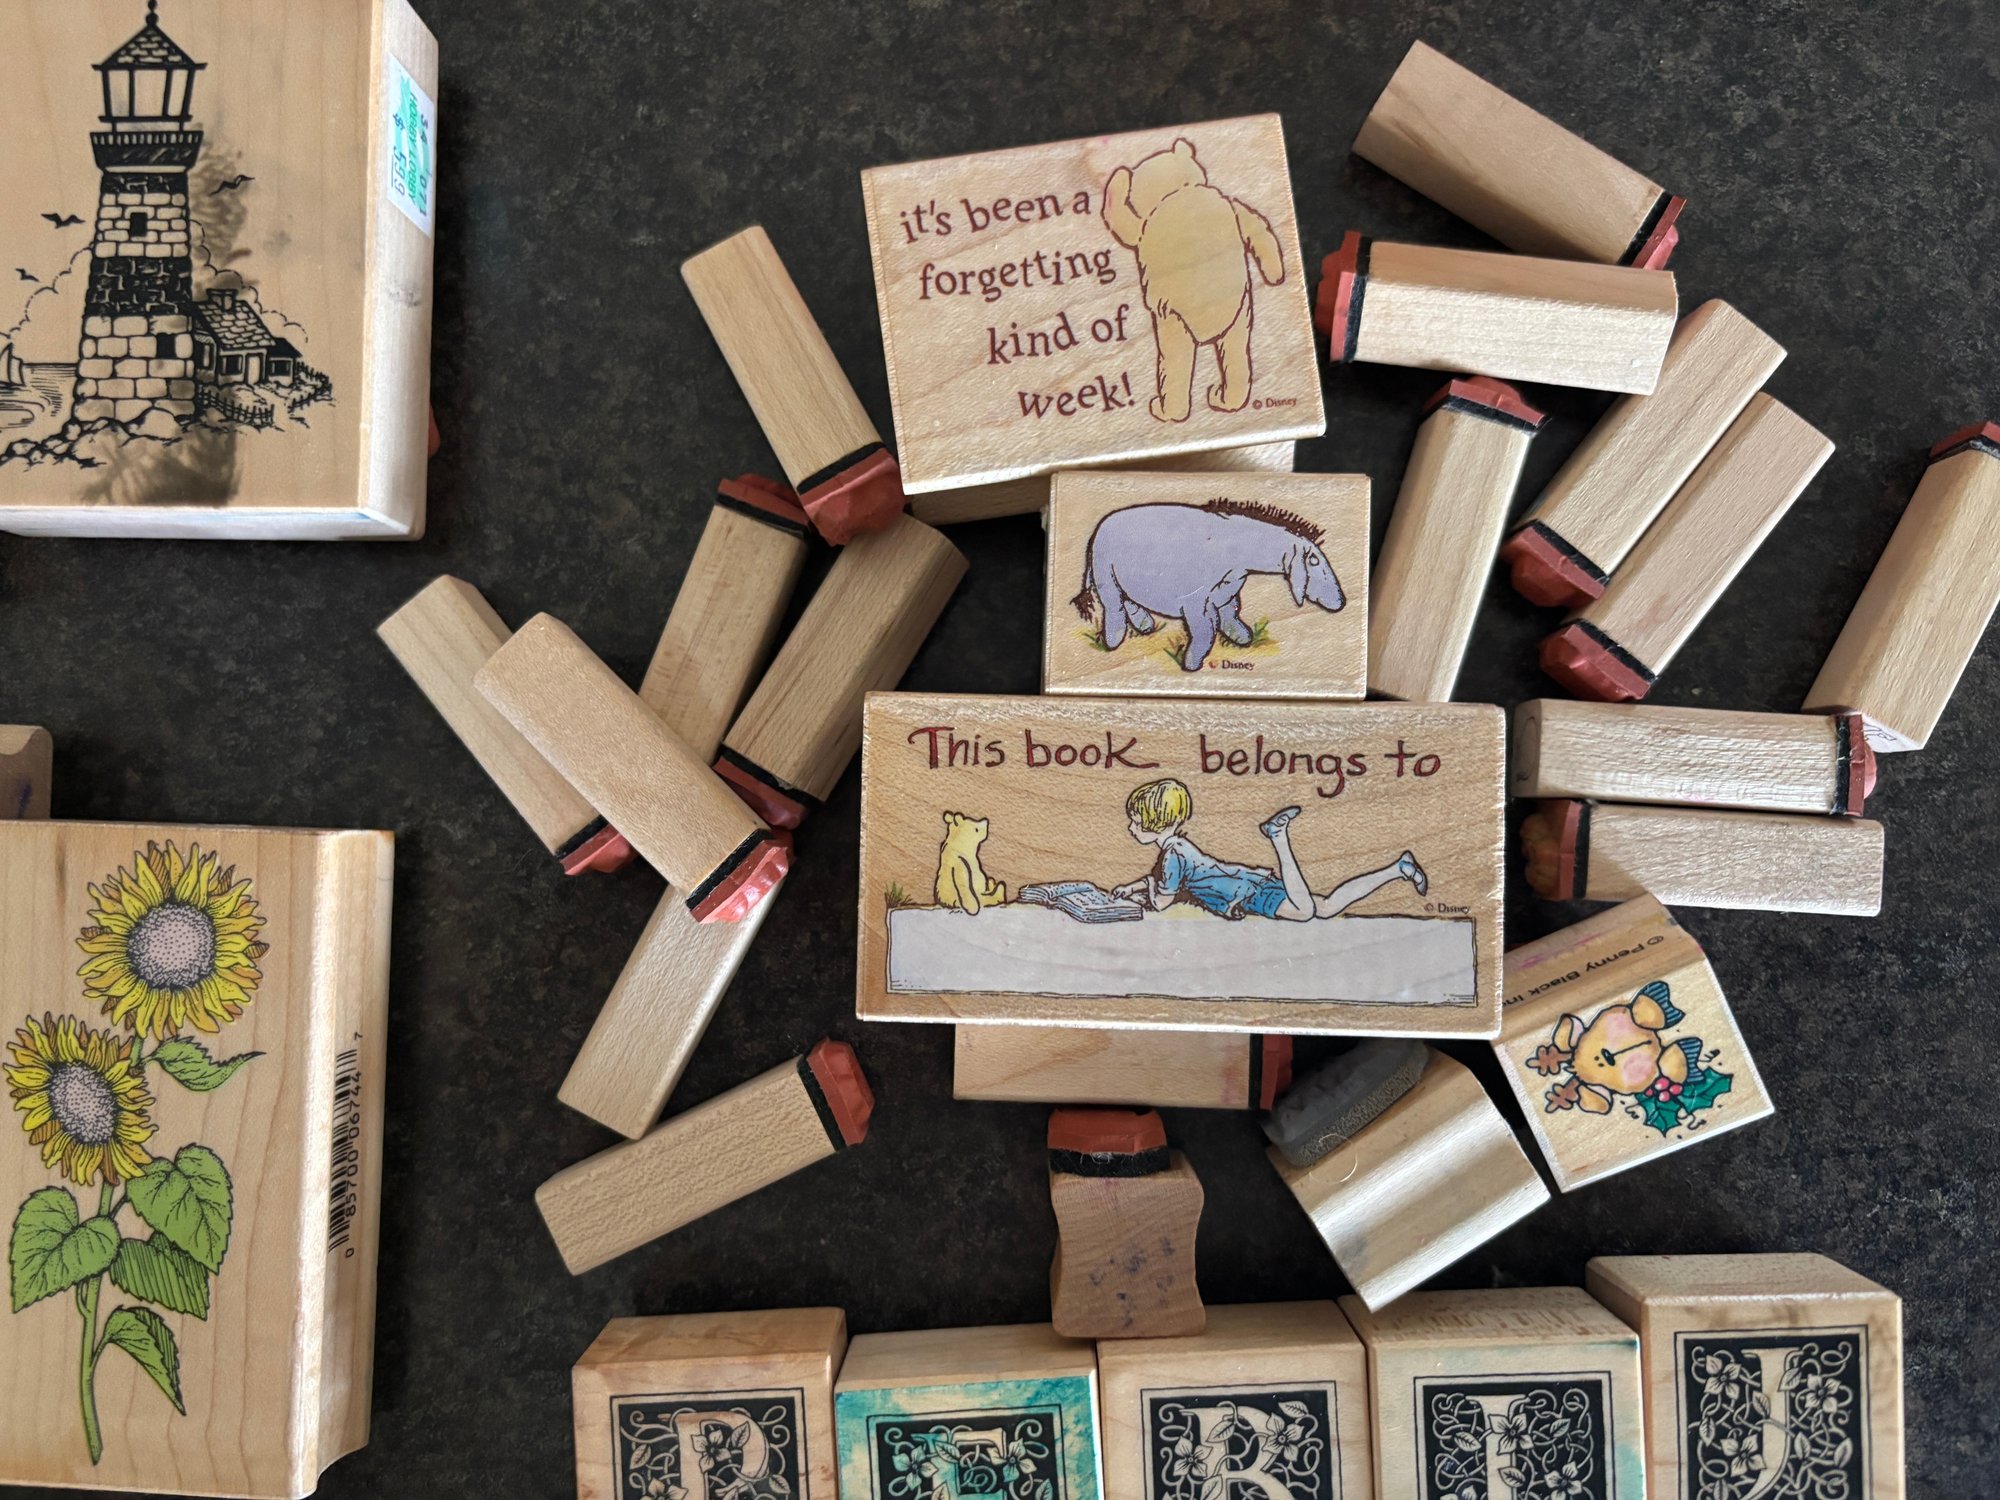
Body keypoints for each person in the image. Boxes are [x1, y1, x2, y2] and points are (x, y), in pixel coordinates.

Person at [1111, 777, 1426, 922]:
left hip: (1245, 895)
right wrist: (1133, 886)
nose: (1130, 828)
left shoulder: (1171, 856)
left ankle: (1278, 836)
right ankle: (1398, 868)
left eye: (1136, 821)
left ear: (1156, 822)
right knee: (1326, 907)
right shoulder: (1179, 848)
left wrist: (1139, 894)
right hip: (1251, 882)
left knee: (1305, 912)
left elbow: (1161, 901)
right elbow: (1168, 882)